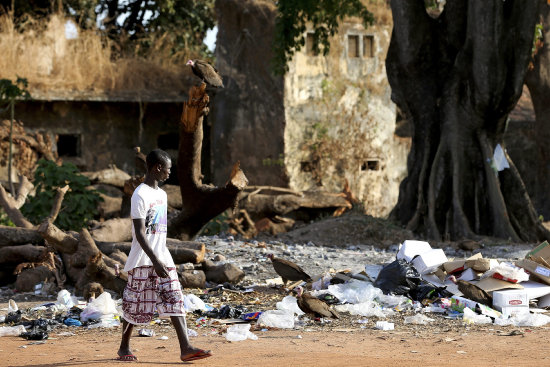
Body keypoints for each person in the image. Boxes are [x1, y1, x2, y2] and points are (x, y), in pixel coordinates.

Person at [117, 149, 212, 362]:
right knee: (134, 303)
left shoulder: (162, 194)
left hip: (162, 256)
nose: (170, 173)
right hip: (143, 259)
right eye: (168, 169)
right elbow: (140, 233)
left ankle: (185, 347)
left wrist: (160, 258)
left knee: (174, 297)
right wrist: (154, 260)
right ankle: (124, 347)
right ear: (157, 168)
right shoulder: (140, 194)